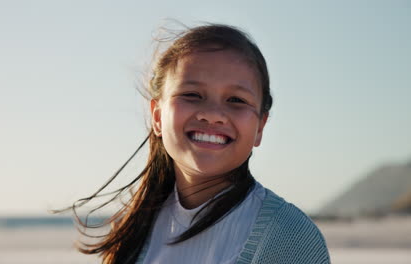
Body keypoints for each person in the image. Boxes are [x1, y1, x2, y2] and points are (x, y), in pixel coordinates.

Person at [65, 24, 330, 264]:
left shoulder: (288, 238)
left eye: (236, 100)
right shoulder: (134, 232)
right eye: (192, 95)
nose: (213, 114)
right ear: (157, 116)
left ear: (260, 126)